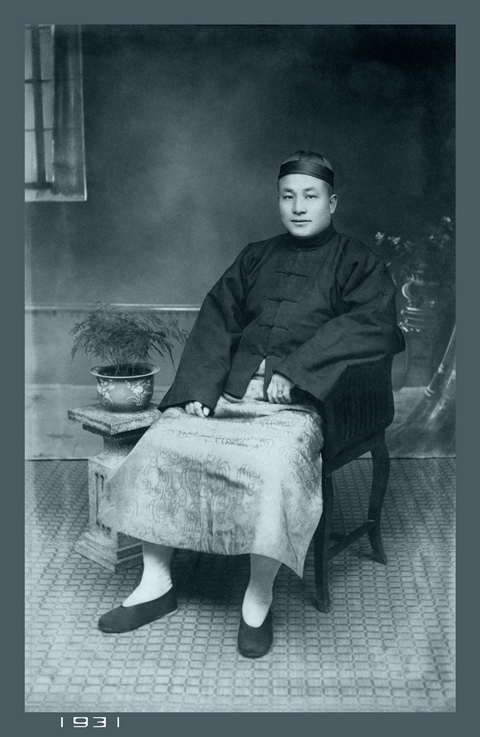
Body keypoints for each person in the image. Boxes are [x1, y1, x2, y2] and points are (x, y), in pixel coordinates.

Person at [97, 150, 405, 658]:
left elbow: (372, 326)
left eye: (310, 196)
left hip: (300, 406)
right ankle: (156, 584)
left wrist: (299, 370)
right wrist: (199, 391)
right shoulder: (256, 255)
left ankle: (258, 598)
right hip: (231, 395)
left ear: (332, 202)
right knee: (159, 444)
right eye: (288, 196)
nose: (298, 207)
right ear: (278, 202)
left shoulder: (357, 261)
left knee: (272, 466)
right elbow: (218, 317)